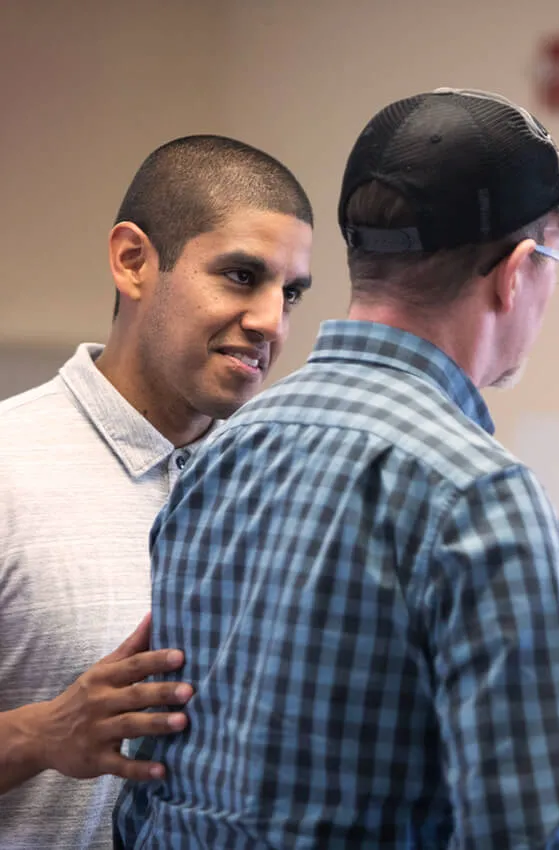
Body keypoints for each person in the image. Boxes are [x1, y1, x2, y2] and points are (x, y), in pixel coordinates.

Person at [115, 89, 559, 848]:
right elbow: (521, 832)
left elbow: (147, 788)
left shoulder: (218, 459)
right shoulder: (478, 494)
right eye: (557, 257)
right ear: (516, 273)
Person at [0, 134, 313, 850]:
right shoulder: (7, 467)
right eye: (241, 276)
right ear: (133, 261)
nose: (273, 321)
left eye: (289, 293)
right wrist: (39, 734)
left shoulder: (274, 496)